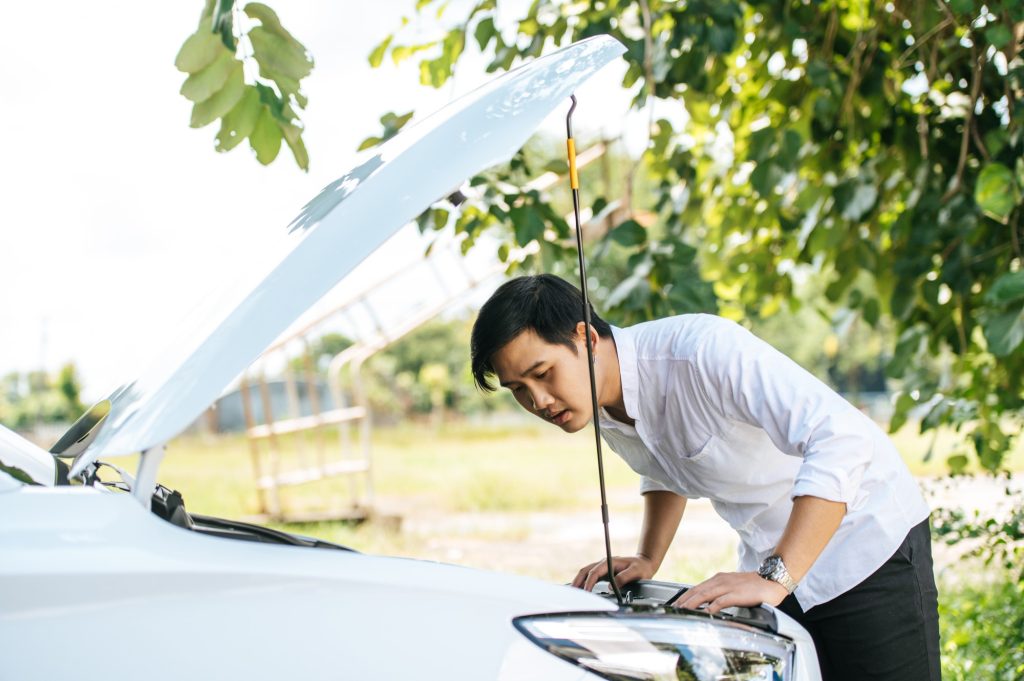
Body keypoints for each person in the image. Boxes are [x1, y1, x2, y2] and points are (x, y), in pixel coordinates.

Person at [470, 273, 940, 681]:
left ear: (587, 338)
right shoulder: (603, 405)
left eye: (543, 373)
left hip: (864, 547)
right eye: (518, 389)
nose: (540, 402)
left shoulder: (700, 352)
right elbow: (665, 466)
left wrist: (777, 576)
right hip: (772, 563)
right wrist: (648, 557)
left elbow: (843, 437)